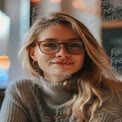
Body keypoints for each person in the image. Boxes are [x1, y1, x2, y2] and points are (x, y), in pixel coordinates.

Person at [0, 12, 122, 122]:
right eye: (50, 45)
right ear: (33, 54)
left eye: (74, 45)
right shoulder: (20, 91)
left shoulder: (111, 92)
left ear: (86, 53)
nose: (62, 53)